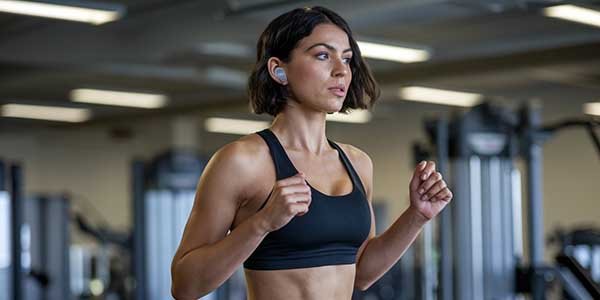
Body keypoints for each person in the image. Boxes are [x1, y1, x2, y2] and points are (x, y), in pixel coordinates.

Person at [171, 6, 453, 300]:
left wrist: (416, 216)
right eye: (322, 55)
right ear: (279, 70)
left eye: (346, 58)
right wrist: (262, 222)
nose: (341, 70)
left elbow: (363, 273)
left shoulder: (357, 163)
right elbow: (185, 286)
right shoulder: (242, 161)